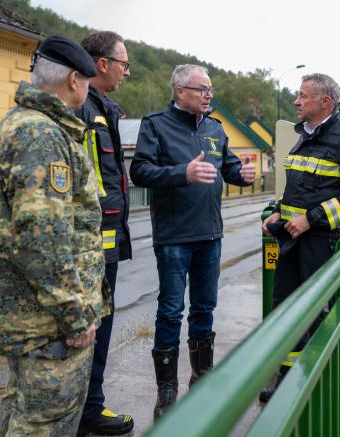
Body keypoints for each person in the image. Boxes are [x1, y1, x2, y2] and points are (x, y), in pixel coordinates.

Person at [0, 35, 108, 435]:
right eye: (87, 81)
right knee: (44, 423)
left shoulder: (28, 126)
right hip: (46, 323)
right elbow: (43, 240)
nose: (87, 91)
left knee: (26, 414)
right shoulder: (41, 136)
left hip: (34, 317)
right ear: (74, 80)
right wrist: (75, 315)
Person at [130, 64, 256, 418]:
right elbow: (139, 171)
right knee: (171, 311)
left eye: (210, 89)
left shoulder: (215, 128)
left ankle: (202, 380)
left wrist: (243, 176)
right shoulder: (155, 125)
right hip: (174, 236)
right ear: (179, 91)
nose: (208, 95)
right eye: (201, 89)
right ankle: (166, 391)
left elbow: (228, 168)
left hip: (210, 234)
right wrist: (181, 173)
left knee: (205, 308)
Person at [260, 73, 340, 402]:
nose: (296, 101)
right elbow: (300, 189)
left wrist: (312, 220)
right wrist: (280, 211)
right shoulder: (304, 136)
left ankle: (323, 385)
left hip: (321, 244)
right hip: (291, 241)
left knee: (319, 313)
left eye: (303, 96)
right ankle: (289, 382)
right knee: (287, 309)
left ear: (325, 102)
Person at [74, 30, 134, 437]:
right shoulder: (80, 108)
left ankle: (90, 408)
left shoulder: (103, 108)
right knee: (84, 329)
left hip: (107, 238)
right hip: (89, 241)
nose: (127, 72)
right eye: (124, 63)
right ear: (102, 64)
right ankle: (79, 413)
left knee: (101, 324)